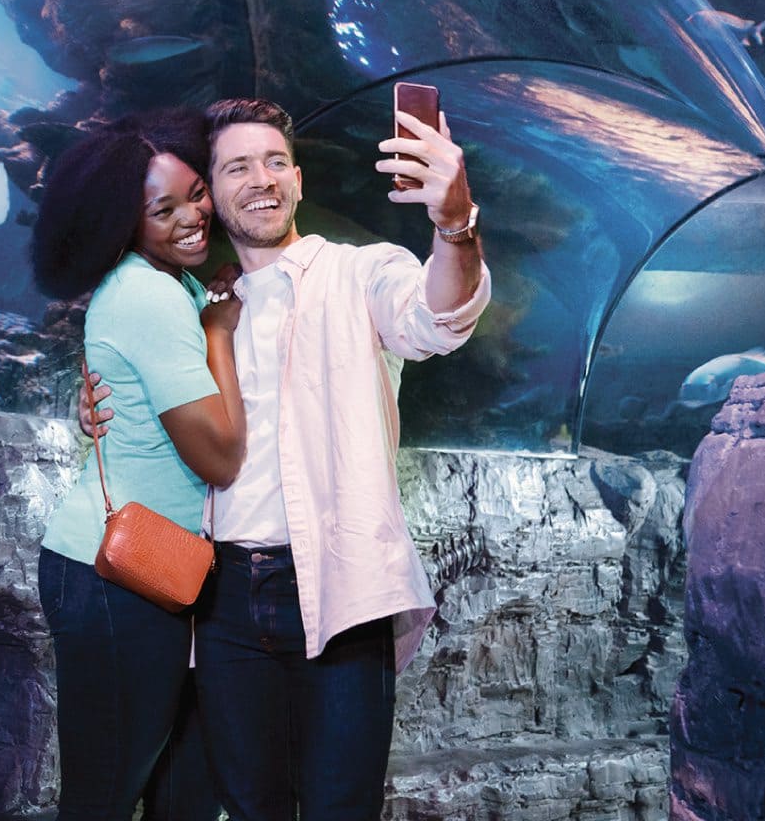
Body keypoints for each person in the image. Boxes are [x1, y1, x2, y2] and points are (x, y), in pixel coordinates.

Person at [83, 96, 490, 820]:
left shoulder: (361, 272)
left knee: (341, 806)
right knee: (249, 808)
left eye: (275, 162)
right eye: (236, 166)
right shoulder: (195, 303)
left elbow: (440, 316)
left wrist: (454, 224)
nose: (260, 179)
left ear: (299, 181)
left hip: (339, 582)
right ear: (210, 190)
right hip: (225, 596)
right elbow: (142, 396)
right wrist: (88, 405)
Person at [31, 107, 245, 821]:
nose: (193, 216)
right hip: (113, 577)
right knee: (103, 795)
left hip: (151, 574)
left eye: (195, 193)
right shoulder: (152, 295)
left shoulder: (171, 283)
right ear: (125, 222)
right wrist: (219, 334)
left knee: (182, 785)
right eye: (164, 209)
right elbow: (217, 455)